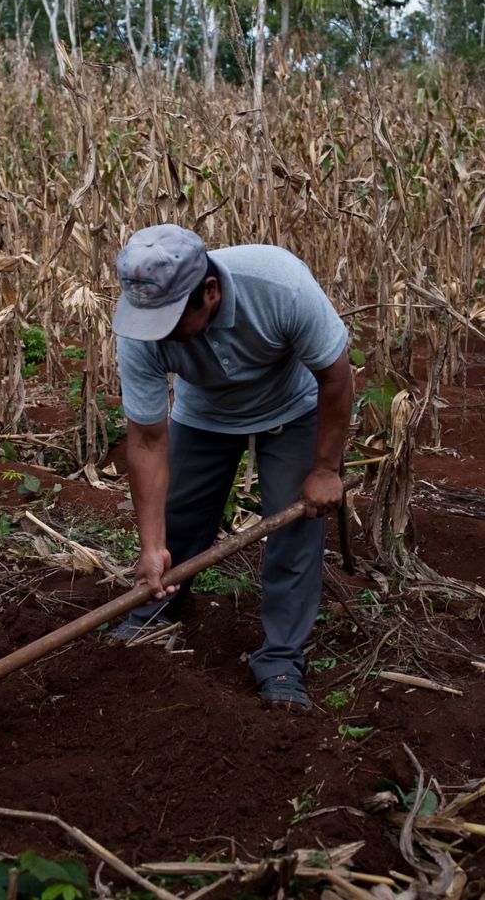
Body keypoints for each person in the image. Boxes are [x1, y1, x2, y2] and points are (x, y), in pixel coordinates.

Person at [109, 224, 353, 711]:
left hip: (292, 406)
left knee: (295, 527)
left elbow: (336, 377)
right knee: (179, 521)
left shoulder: (279, 285)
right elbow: (148, 438)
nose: (161, 335)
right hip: (205, 413)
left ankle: (281, 657)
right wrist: (151, 546)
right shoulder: (142, 326)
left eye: (174, 320)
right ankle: (156, 609)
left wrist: (325, 469)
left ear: (210, 292)